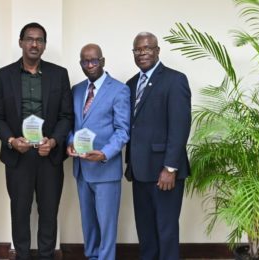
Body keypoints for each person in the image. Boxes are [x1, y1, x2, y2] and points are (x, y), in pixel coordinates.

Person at [0, 22, 73, 260]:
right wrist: (10, 140)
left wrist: (55, 141)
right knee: (20, 211)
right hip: (18, 155)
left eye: (39, 40)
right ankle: (23, 256)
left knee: (49, 212)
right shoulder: (3, 75)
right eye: (30, 39)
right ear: (21, 42)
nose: (34, 44)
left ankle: (47, 255)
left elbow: (66, 115)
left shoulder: (59, 74)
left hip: (50, 155)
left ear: (45, 45)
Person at [125, 32, 191, 260]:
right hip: (140, 170)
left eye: (147, 48)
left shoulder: (175, 80)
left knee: (166, 230)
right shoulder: (131, 84)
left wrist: (170, 168)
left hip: (164, 172)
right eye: (137, 50)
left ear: (157, 50)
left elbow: (180, 126)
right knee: (146, 232)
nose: (142, 53)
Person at [67, 43, 130, 260]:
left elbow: (123, 131)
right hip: (82, 170)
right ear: (81, 64)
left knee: (106, 225)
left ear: (102, 61)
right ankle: (91, 256)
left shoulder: (120, 90)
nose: (90, 65)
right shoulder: (76, 90)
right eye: (85, 61)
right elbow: (71, 125)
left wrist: (104, 153)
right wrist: (69, 142)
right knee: (88, 223)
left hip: (105, 169)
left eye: (94, 60)